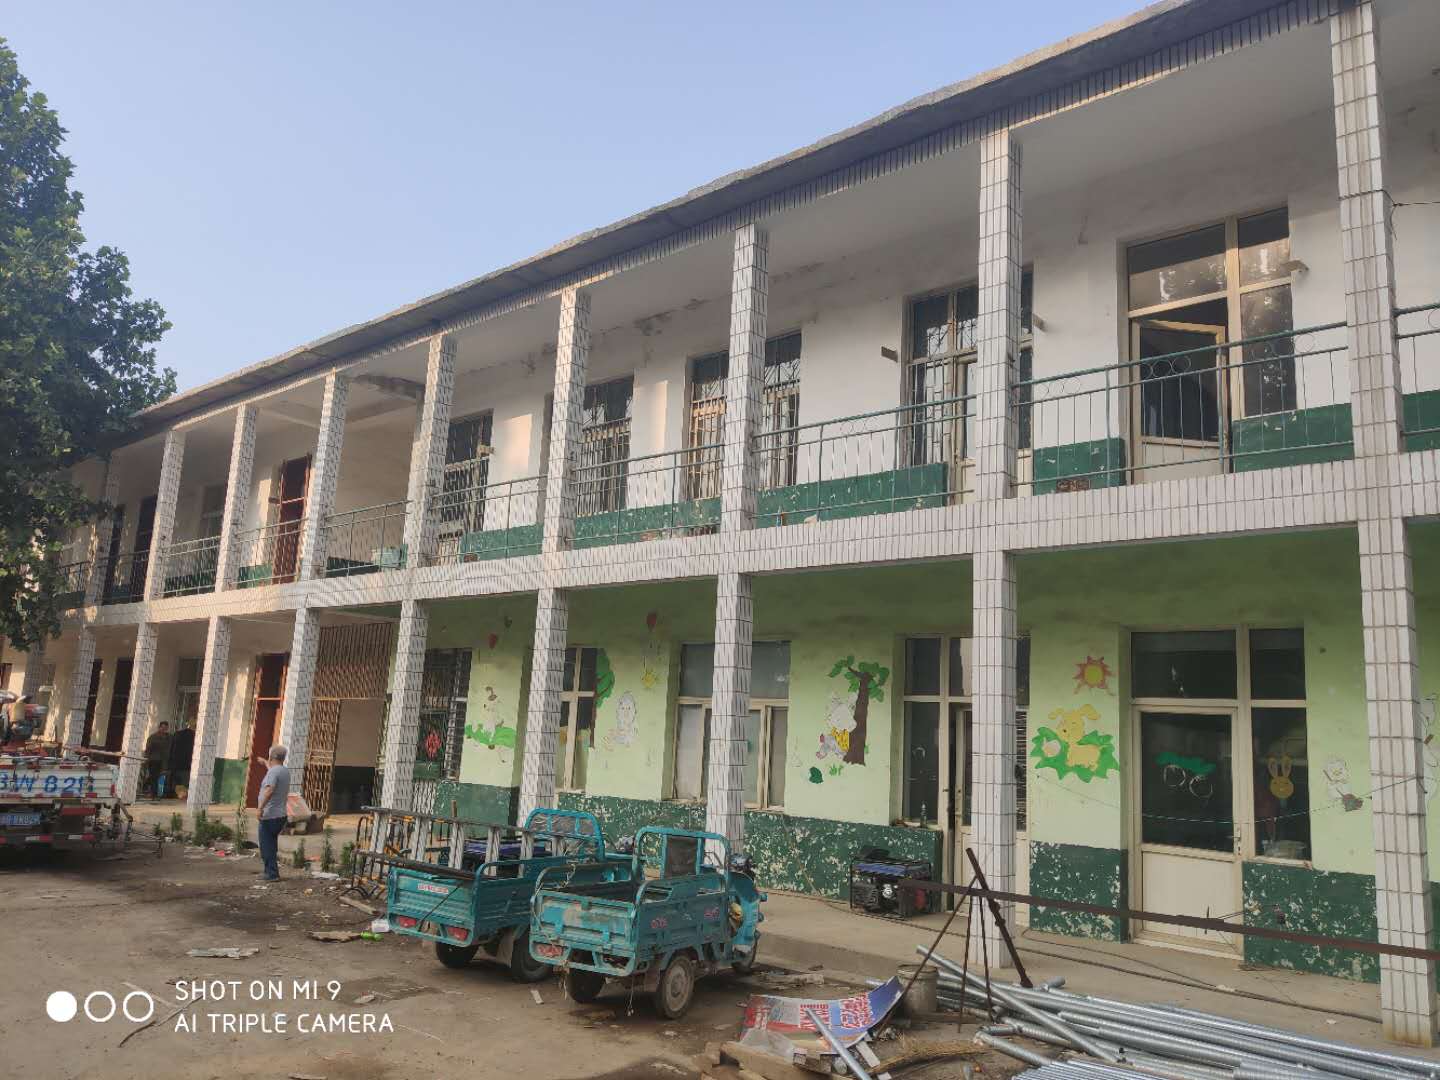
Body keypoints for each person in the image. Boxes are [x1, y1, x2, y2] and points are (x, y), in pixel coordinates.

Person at [256, 745, 291, 882]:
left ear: (272, 757)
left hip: (269, 815)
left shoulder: (273, 773)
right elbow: (273, 771)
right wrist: (265, 762)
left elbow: (269, 790)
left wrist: (260, 808)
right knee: (271, 844)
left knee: (266, 846)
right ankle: (271, 872)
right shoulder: (284, 771)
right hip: (280, 815)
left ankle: (271, 874)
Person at [143, 721, 172, 798]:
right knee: (154, 777)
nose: (164, 729)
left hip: (164, 761)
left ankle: (157, 792)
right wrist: (146, 759)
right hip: (154, 760)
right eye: (162, 728)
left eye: (166, 728)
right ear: (159, 727)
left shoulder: (169, 737)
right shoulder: (153, 737)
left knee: (160, 777)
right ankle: (153, 793)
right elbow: (148, 749)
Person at [168, 723, 196, 799]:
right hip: (187, 763)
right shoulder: (194, 736)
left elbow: (171, 748)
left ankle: (174, 793)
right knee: (185, 780)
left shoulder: (177, 734)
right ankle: (182, 795)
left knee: (176, 779)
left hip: (176, 762)